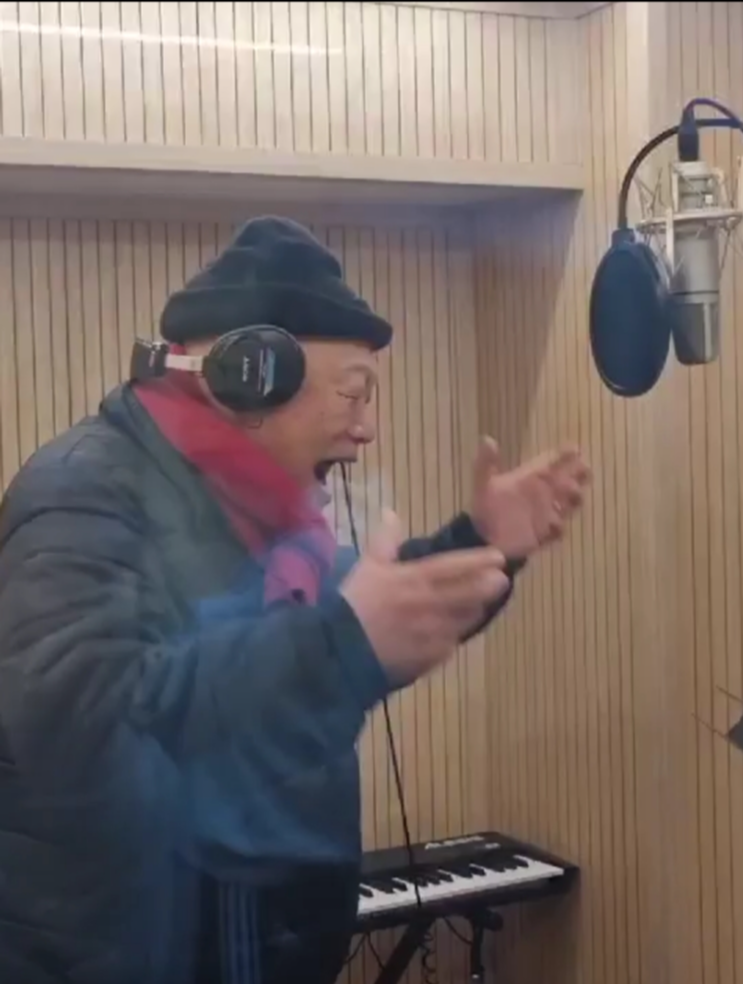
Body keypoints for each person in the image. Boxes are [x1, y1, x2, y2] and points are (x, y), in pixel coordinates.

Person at [0, 216, 589, 984]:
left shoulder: (254, 510)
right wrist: (340, 645)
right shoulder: (80, 493)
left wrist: (480, 543)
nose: (368, 428)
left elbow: (350, 618)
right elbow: (82, 731)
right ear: (254, 375)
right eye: (355, 392)